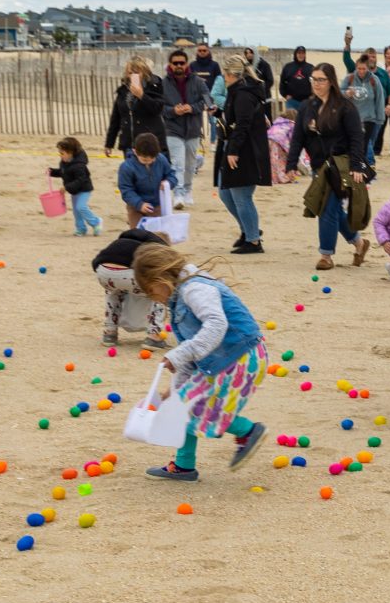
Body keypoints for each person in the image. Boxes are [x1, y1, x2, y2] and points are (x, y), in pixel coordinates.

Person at [133, 244, 269, 477]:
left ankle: (247, 430)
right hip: (223, 359)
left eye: (150, 290)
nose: (152, 297)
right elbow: (192, 352)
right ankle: (184, 465)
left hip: (239, 356)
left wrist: (178, 354)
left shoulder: (195, 289)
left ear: (160, 277)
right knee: (181, 403)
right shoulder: (180, 297)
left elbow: (216, 325)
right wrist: (176, 388)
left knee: (195, 408)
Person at [288, 62, 369, 270]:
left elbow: (356, 138)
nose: (316, 83)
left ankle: (326, 255)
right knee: (333, 210)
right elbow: (297, 137)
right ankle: (359, 243)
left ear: (331, 81)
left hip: (340, 167)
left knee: (327, 208)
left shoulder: (345, 106)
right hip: (318, 167)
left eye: (321, 79)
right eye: (313, 79)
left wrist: (357, 166)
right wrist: (291, 163)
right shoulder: (307, 106)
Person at [214, 54, 270, 253]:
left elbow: (242, 124)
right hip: (236, 147)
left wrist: (234, 151)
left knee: (241, 195)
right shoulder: (239, 91)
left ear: (230, 74)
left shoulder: (244, 93)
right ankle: (249, 230)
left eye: (224, 74)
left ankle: (253, 240)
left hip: (245, 151)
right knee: (225, 192)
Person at [91, 224, 170, 347]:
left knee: (113, 292)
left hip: (103, 272)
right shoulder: (156, 247)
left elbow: (96, 261)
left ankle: (109, 333)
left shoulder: (123, 241)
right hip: (129, 274)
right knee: (159, 292)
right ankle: (154, 336)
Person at [161, 47, 211, 208]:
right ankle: (178, 194)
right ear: (170, 64)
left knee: (190, 164)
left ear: (186, 64)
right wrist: (173, 110)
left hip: (193, 128)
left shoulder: (197, 81)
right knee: (177, 163)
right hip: (172, 128)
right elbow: (159, 106)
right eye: (175, 63)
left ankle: (188, 190)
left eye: (182, 63)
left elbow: (207, 100)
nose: (179, 66)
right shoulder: (163, 83)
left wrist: (192, 108)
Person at [103, 56, 164, 159]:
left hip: (149, 142)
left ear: (144, 73)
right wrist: (109, 143)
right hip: (129, 143)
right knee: (131, 172)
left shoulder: (154, 87)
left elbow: (157, 109)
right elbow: (116, 119)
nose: (133, 75)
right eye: (130, 73)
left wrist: (142, 96)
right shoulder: (123, 91)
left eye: (137, 72)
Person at [341, 50, 390, 175]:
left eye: (364, 69)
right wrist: (346, 93)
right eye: (359, 68)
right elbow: (337, 94)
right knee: (356, 146)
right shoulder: (350, 79)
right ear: (356, 68)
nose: (361, 71)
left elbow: (379, 100)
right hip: (352, 119)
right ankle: (358, 169)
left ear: (368, 68)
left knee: (364, 147)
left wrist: (380, 119)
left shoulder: (374, 81)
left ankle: (363, 170)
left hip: (370, 119)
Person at [117, 132, 175, 229]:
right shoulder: (126, 167)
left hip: (156, 205)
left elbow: (171, 174)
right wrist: (139, 204)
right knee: (137, 234)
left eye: (152, 158)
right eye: (144, 159)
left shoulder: (161, 160)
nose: (149, 161)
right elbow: (126, 190)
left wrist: (168, 182)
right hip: (135, 207)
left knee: (157, 235)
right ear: (135, 151)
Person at [49, 136, 101, 237]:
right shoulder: (64, 162)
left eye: (62, 153)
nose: (60, 155)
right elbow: (63, 172)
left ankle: (96, 222)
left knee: (81, 207)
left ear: (70, 152)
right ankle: (81, 228)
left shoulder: (79, 165)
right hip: (74, 190)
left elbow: (81, 180)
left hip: (84, 189)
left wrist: (67, 187)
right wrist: (52, 172)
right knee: (76, 211)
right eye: (60, 153)